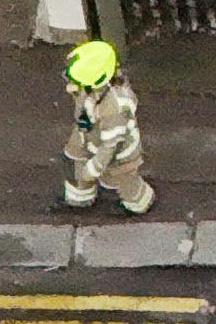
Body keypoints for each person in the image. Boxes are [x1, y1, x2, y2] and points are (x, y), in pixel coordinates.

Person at [60, 37, 153, 216]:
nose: (72, 86)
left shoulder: (116, 109)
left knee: (125, 181)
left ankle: (140, 202)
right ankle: (80, 197)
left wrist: (93, 168)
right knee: (76, 164)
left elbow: (110, 146)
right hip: (87, 135)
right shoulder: (90, 90)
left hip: (120, 155)